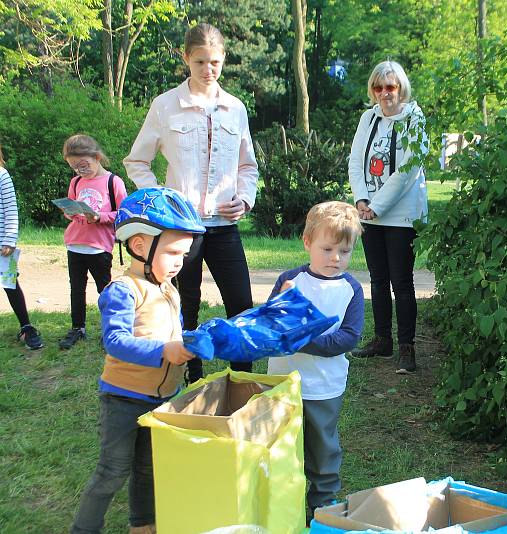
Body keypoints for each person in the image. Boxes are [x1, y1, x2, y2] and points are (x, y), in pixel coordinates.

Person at [124, 23, 258, 382]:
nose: (208, 70)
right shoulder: (166, 105)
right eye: (200, 62)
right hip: (182, 230)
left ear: (224, 60)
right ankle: (191, 374)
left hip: (224, 227)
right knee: (186, 305)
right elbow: (137, 161)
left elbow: (248, 165)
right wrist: (161, 201)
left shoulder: (235, 108)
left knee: (242, 305)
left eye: (214, 62)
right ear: (186, 59)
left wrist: (245, 199)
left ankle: (241, 377)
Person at [71, 187, 205, 534]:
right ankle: (84, 529)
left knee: (148, 468)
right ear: (141, 246)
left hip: (161, 400)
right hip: (123, 399)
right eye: (173, 252)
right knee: (112, 471)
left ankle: (141, 524)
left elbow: (173, 334)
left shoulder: (169, 288)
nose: (180, 261)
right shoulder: (123, 290)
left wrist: (190, 345)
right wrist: (164, 351)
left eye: (184, 253)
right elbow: (114, 342)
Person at [266, 201, 364, 519]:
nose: (336, 258)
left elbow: (348, 337)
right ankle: (283, 501)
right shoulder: (290, 280)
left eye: (344, 251)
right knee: (282, 446)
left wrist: (303, 338)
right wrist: (281, 308)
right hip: (283, 383)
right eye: (327, 249)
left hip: (324, 387)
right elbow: (271, 323)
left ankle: (321, 504)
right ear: (307, 243)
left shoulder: (351, 289)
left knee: (323, 448)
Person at [347, 60, 428, 374]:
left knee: (402, 283)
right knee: (378, 280)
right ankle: (382, 340)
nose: (384, 93)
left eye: (390, 87)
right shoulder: (368, 118)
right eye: (378, 87)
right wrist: (361, 200)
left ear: (401, 88)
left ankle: (407, 348)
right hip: (369, 213)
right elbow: (356, 161)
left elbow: (407, 171)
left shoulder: (414, 119)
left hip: (401, 217)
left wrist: (377, 206)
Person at [59, 134, 127, 350]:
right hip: (75, 243)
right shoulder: (76, 182)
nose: (80, 171)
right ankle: (77, 327)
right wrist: (69, 212)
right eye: (74, 167)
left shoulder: (112, 181)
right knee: (76, 288)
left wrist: (100, 217)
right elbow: (71, 210)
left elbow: (124, 213)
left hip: (99, 247)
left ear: (97, 157)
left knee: (104, 290)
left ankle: (111, 329)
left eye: (83, 165)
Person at [0, 142, 44, 350]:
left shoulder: (2, 175)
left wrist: (9, 239)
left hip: (2, 245)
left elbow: (10, 208)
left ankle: (26, 327)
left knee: (10, 284)